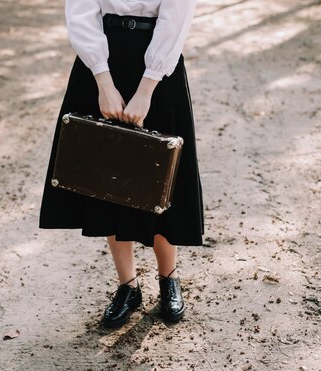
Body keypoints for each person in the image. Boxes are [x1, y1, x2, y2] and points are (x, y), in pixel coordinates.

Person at [39, 0, 204, 328]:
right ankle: (128, 287)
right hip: (101, 65)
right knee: (108, 179)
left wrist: (147, 89)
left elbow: (176, 18)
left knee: (161, 178)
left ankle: (168, 278)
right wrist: (103, 82)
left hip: (158, 68)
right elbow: (81, 12)